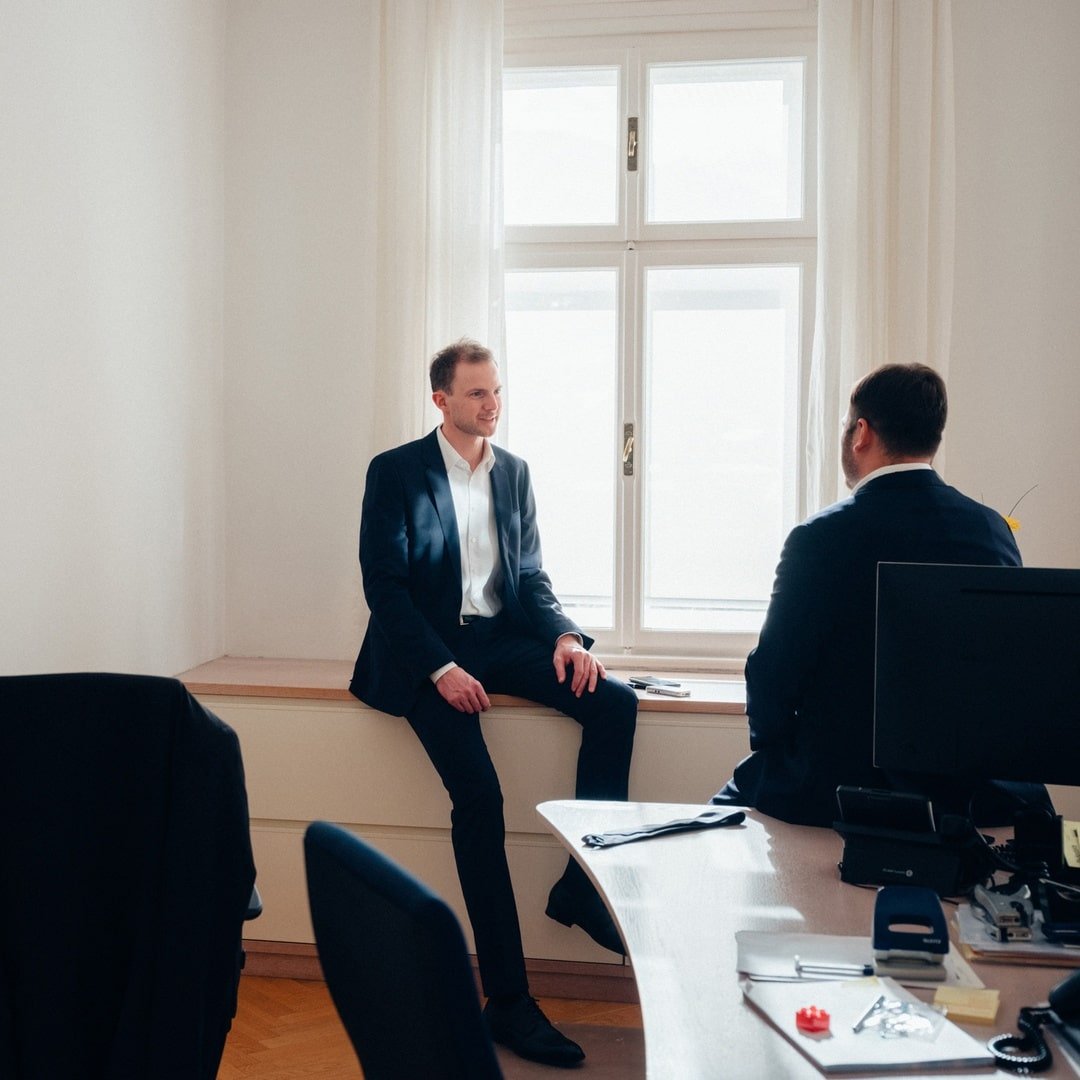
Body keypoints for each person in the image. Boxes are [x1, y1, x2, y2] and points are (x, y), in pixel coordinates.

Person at [349, 338, 638, 1068]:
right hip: (422, 653)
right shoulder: (395, 472)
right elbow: (384, 588)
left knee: (615, 701)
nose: (493, 404)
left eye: (497, 391)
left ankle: (579, 888)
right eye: (478, 394)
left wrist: (567, 637)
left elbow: (530, 577)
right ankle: (507, 1000)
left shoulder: (514, 474)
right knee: (480, 794)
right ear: (442, 400)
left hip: (500, 638)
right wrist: (440, 668)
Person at [711, 362, 1034, 828]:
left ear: (861, 433)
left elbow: (773, 673)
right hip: (964, 795)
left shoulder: (820, 538)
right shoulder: (990, 531)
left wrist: (779, 749)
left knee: (705, 823)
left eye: (847, 425)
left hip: (835, 789)